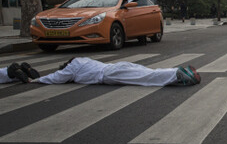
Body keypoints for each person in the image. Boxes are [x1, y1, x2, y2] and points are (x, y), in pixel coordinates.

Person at [10, 58, 200, 86]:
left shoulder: (71, 68)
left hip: (109, 75)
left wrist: (35, 81)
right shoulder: (83, 60)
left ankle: (177, 75)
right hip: (117, 66)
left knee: (145, 78)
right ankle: (175, 73)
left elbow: (56, 78)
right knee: (146, 72)